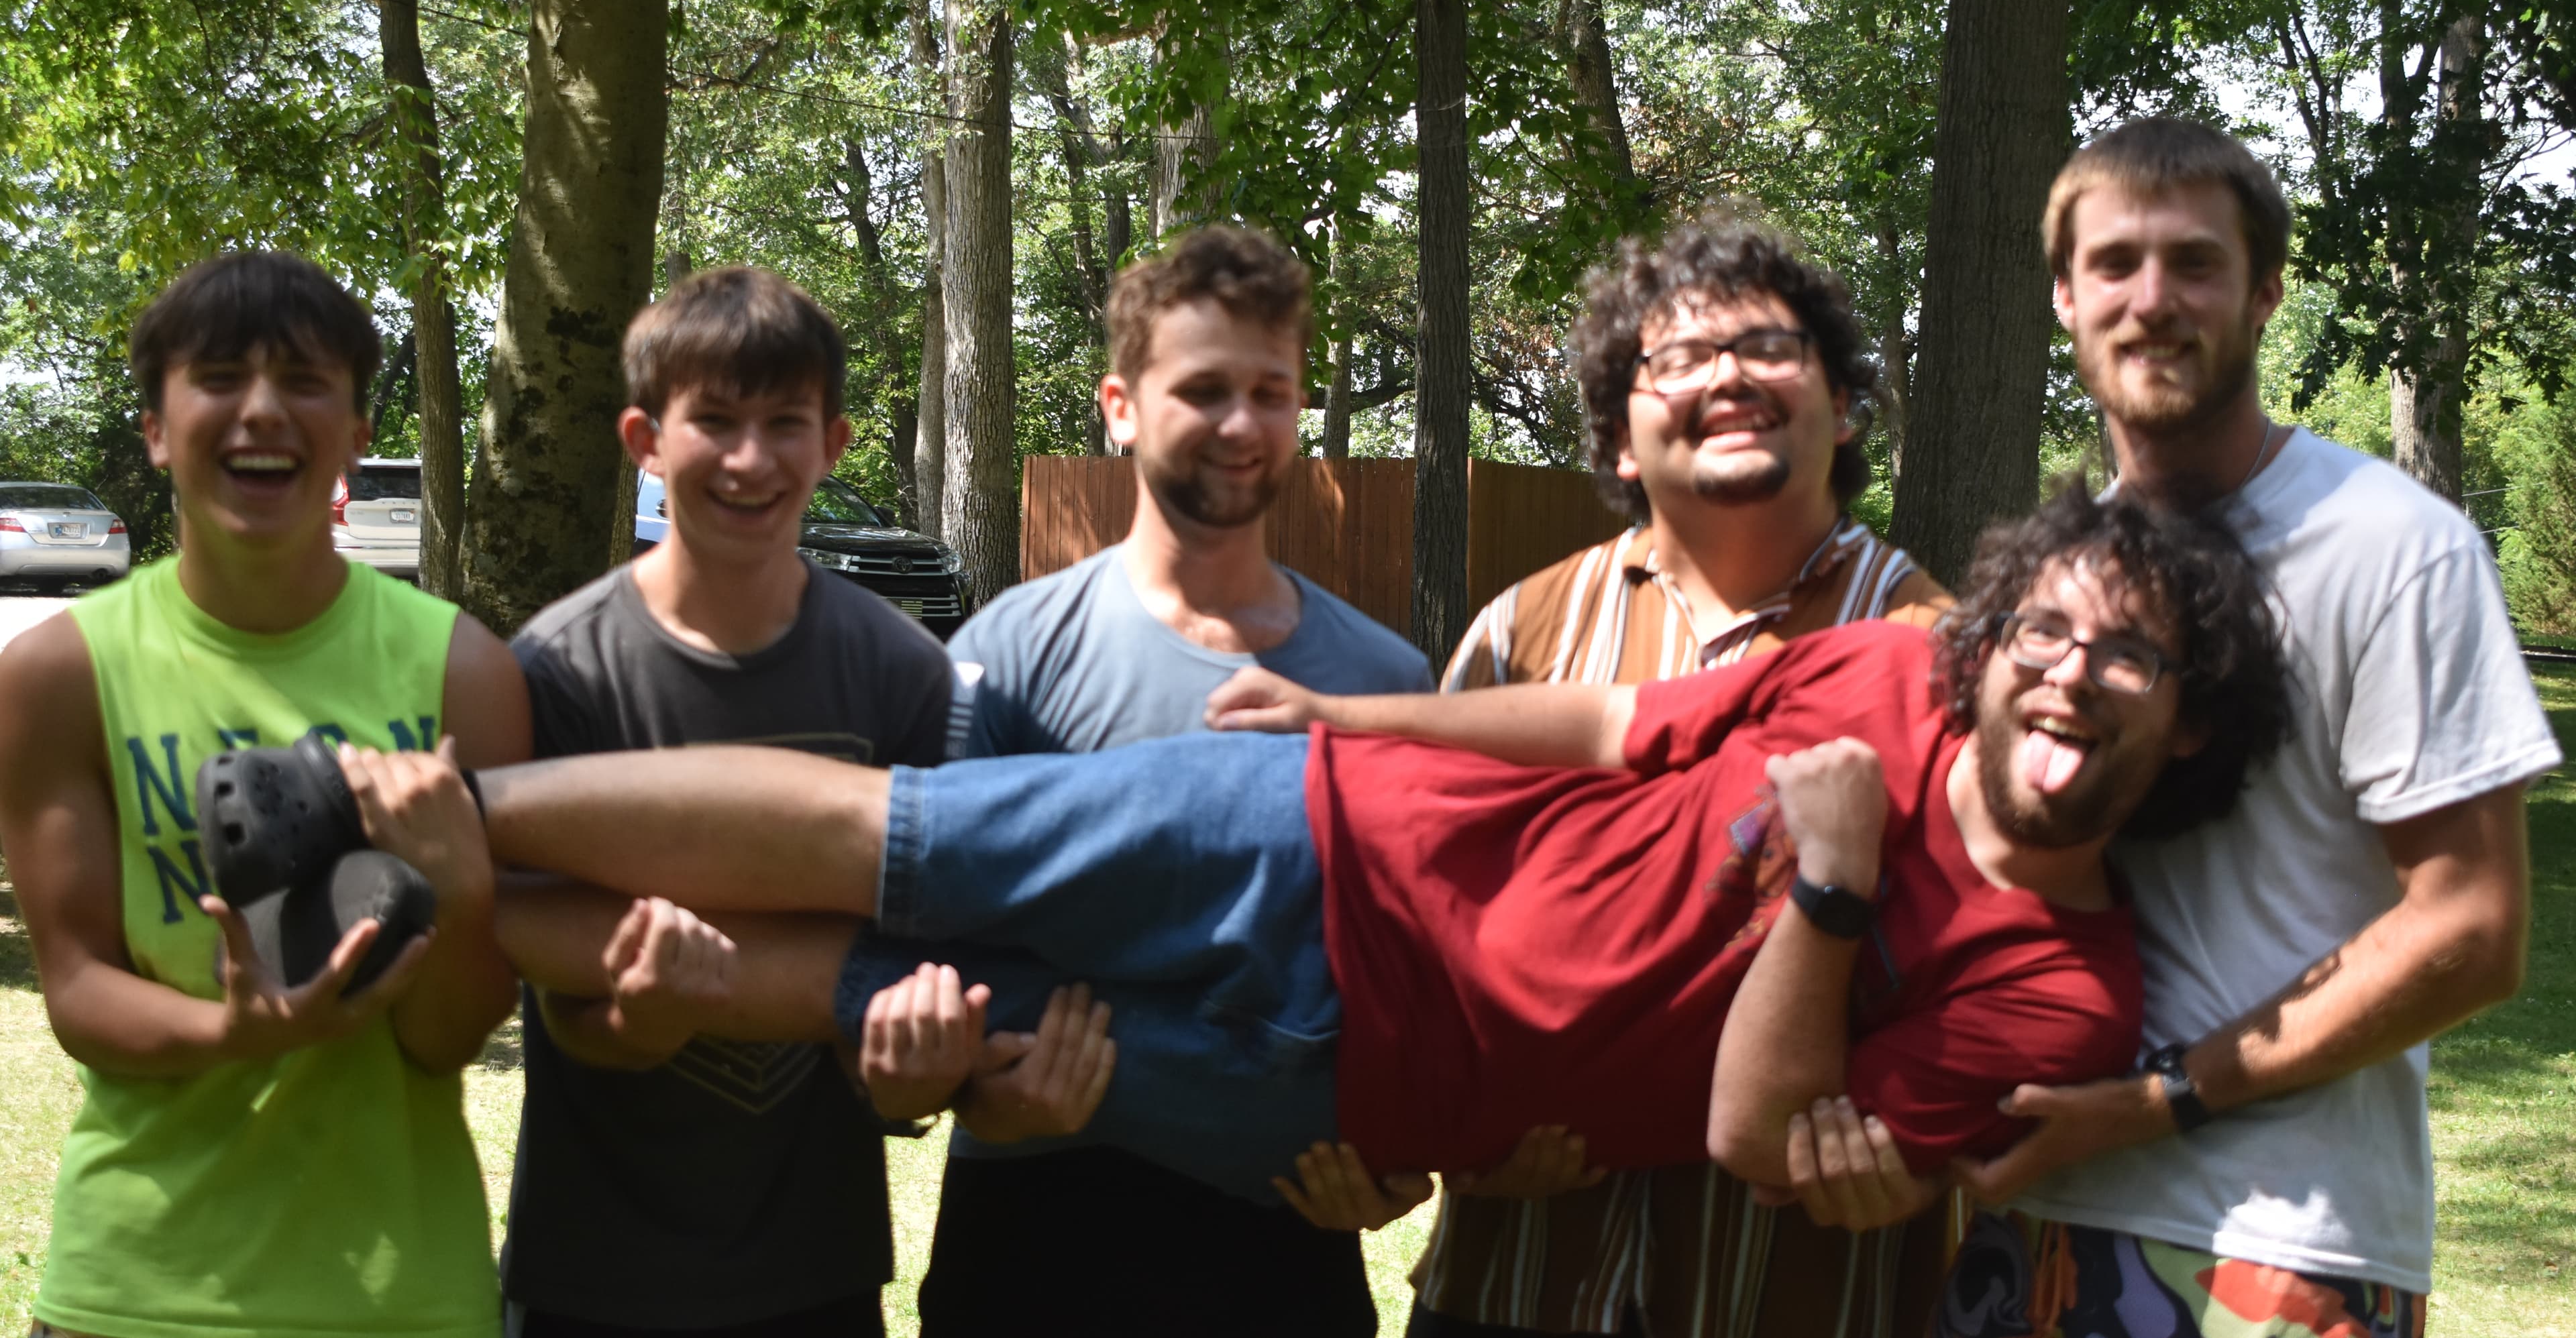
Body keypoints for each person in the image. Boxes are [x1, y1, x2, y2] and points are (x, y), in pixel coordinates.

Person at [336, 486, 2284, 1223]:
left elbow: (1769, 1138)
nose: (2072, 670)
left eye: (2135, 656)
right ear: (1999, 629)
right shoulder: (1877, 670)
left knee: (851, 976)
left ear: (2184, 726)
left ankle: (438, 888)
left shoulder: (2066, 990)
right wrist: (1358, 720)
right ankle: (394, 819)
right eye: (2052, 626)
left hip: (1354, 1088)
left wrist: (1840, 897)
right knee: (889, 844)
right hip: (1323, 834)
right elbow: (1617, 724)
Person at [1802, 119, 2560, 1338]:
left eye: (2195, 263)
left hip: (2274, 1241)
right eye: (2114, 264)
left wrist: (2162, 1099)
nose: (2152, 300)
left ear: (2265, 291)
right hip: (2027, 1213)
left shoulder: (2392, 547)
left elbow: (2473, 927)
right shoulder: (2070, 577)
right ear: (2063, 297)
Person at [1415, 214, 1954, 1338]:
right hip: (1518, 1283)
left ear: (1843, 405)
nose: (1728, 376)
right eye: (1678, 359)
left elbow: (1999, 958)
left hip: (1806, 1290)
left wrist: (1920, 1146)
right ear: (1621, 438)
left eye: (1770, 348)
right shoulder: (1522, 636)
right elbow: (1417, 923)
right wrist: (1456, 1123)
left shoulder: (1944, 655)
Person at [909, 224, 1435, 1337]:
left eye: (1271, 390)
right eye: (1203, 389)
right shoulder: (1009, 651)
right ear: (1122, 407)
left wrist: (1401, 1161)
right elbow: (926, 955)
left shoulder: (1386, 682)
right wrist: (976, 1088)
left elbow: (1410, 985)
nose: (1241, 425)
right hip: (1034, 1238)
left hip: (1281, 1246)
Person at [0, 252, 522, 1338]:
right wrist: (242, 1029)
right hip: (138, 1296)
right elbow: (78, 988)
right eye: (220, 376)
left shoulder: (463, 672)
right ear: (154, 425)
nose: (263, 409)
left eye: (305, 379)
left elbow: (446, 1038)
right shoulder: (56, 675)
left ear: (359, 427)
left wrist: (467, 897)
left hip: (401, 1301)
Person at [481, 266, 975, 1338]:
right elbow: (541, 964)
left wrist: (915, 1073)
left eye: (785, 421)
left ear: (835, 444)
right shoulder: (560, 670)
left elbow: (904, 988)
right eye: (713, 420)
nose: (751, 458)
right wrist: (634, 1020)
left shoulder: (902, 674)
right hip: (588, 1268)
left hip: (816, 1269)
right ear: (644, 441)